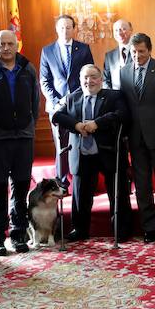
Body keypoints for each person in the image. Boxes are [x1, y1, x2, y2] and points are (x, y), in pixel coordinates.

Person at [52, 64, 132, 242]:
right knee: (80, 195)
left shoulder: (113, 96)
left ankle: (121, 228)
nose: (89, 81)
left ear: (101, 79)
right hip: (81, 154)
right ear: (80, 81)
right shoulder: (72, 98)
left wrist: (97, 123)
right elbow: (56, 116)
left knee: (117, 192)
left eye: (93, 77)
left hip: (108, 152)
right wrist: (76, 125)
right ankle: (80, 229)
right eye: (85, 78)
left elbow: (123, 114)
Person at [0, 30, 39, 255]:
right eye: (1, 44)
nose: (6, 48)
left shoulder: (28, 69)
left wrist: (30, 127)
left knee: (21, 187)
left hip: (24, 137)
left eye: (10, 44)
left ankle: (18, 235)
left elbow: (34, 101)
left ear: (16, 45)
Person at [120, 33, 155, 243]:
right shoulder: (123, 72)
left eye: (141, 51)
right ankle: (150, 227)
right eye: (134, 52)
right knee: (142, 186)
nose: (137, 55)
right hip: (135, 140)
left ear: (150, 50)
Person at [39, 15, 95, 188]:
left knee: (82, 143)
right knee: (61, 146)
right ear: (57, 29)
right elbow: (44, 80)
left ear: (74, 28)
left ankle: (85, 181)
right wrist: (57, 101)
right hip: (56, 107)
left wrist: (73, 98)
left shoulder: (84, 49)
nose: (65, 31)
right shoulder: (47, 51)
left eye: (68, 27)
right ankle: (61, 183)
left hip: (79, 104)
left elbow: (90, 77)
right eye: (62, 27)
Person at [103, 19, 134, 90]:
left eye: (123, 29)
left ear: (131, 30)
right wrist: (111, 95)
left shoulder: (139, 52)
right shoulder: (109, 56)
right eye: (116, 30)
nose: (119, 33)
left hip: (135, 98)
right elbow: (105, 80)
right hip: (115, 98)